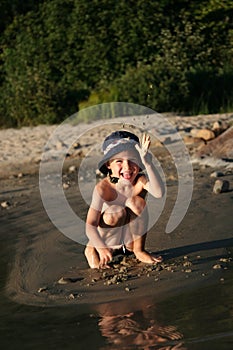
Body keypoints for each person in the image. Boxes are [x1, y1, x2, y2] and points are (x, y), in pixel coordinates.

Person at [84, 130, 164, 269]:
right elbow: (90, 225)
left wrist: (148, 163)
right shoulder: (103, 188)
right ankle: (92, 249)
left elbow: (159, 193)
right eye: (119, 161)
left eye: (132, 160)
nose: (127, 167)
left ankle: (139, 251)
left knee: (137, 202)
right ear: (108, 164)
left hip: (128, 241)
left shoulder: (140, 181)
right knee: (116, 211)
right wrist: (100, 248)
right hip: (105, 242)